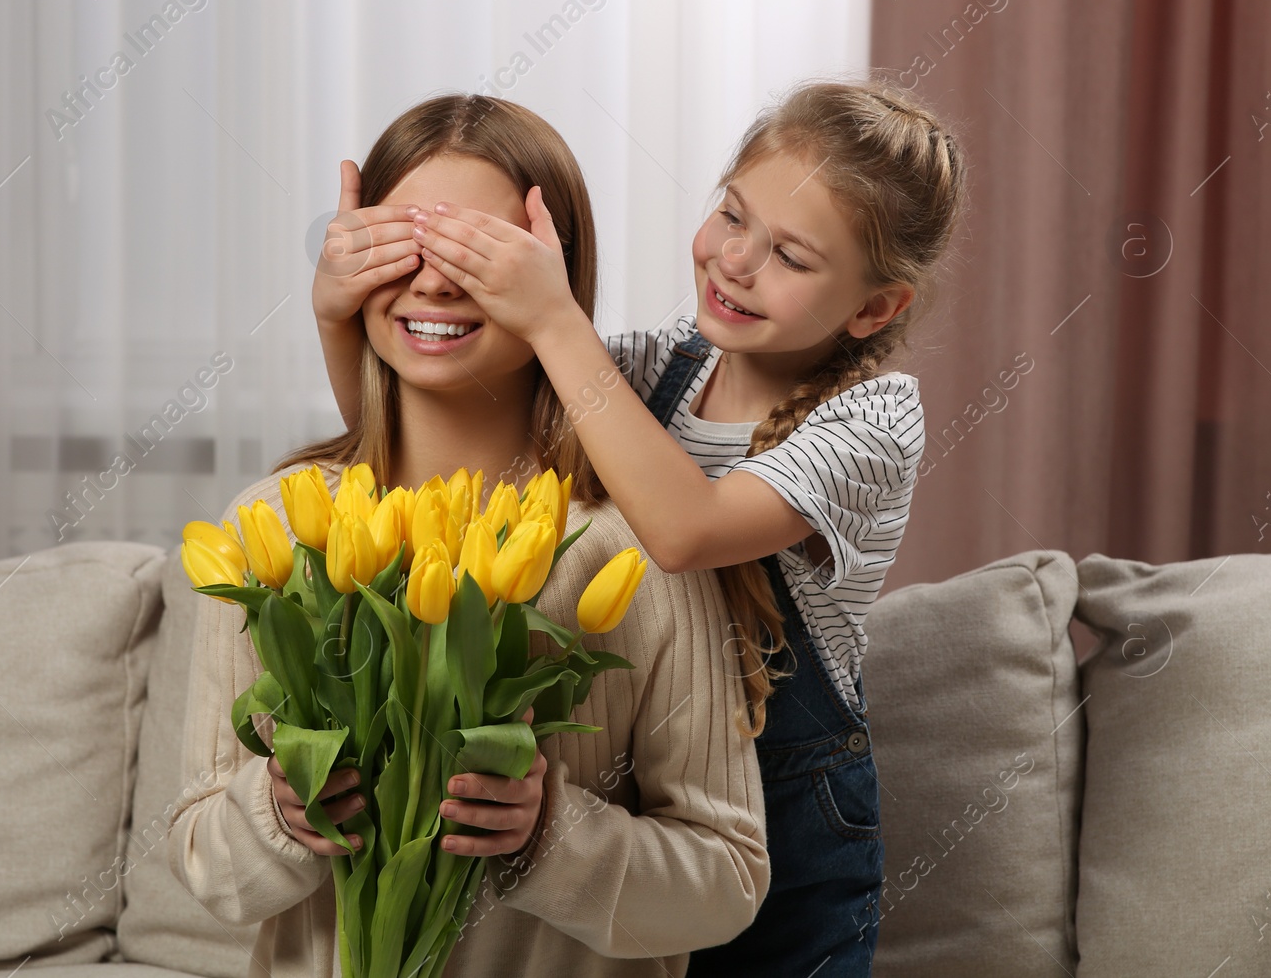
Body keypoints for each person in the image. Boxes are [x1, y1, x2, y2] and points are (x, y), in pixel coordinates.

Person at [316, 79, 967, 976]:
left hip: (794, 826)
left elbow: (684, 529)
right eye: (732, 216)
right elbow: (433, 433)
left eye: (791, 255)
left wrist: (551, 314)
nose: (736, 261)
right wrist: (340, 312)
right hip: (661, 798)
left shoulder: (873, 423)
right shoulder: (657, 367)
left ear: (873, 309)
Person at [167, 93, 769, 978]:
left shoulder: (639, 547)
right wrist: (276, 813)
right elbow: (202, 861)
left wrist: (547, 836)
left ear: (554, 280)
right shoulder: (276, 524)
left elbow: (729, 877)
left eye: (480, 253)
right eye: (403, 243)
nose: (436, 281)